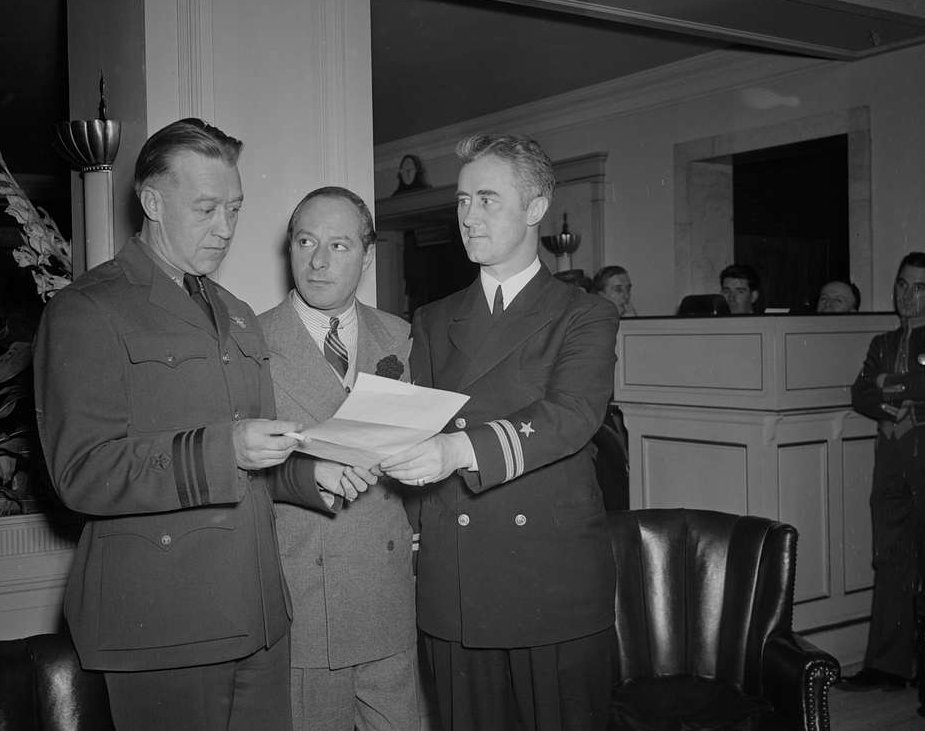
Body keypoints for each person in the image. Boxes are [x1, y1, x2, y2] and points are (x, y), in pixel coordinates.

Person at [33, 118, 353, 731]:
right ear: (152, 202)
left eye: (234, 208)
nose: (226, 229)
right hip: (163, 623)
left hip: (258, 614)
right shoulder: (87, 309)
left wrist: (315, 476)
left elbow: (256, 464)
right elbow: (81, 472)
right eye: (206, 208)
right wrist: (225, 447)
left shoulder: (234, 313)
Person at [380, 133, 620, 730]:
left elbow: (572, 415)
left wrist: (457, 448)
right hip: (456, 578)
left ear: (537, 207)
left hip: (549, 579)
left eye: (487, 199)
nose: (467, 217)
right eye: (462, 201)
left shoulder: (583, 313)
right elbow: (420, 431)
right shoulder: (434, 320)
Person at [258, 187, 418, 730]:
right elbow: (236, 469)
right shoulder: (250, 343)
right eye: (306, 241)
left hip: (388, 597)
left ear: (367, 256)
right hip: (304, 601)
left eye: (339, 245)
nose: (319, 261)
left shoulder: (400, 336)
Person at [841, 251, 925, 691]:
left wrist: (888, 384)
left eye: (919, 287)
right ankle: (888, 668)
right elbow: (860, 392)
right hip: (891, 465)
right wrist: (884, 399)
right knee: (891, 560)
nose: (907, 295)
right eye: (903, 284)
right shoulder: (882, 342)